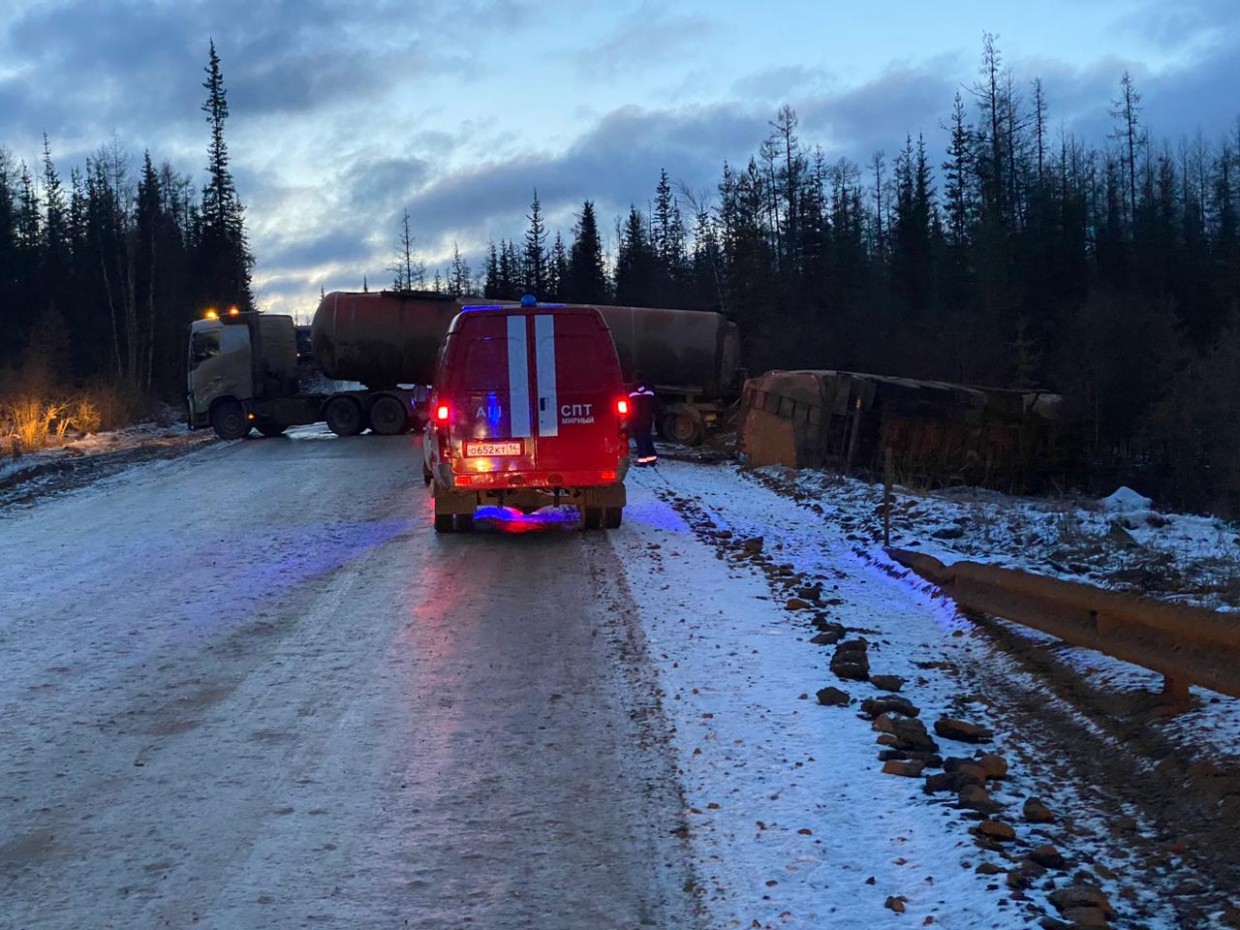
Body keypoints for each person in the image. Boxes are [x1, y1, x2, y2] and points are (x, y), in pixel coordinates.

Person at [628, 377, 658, 466]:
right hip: (648, 418)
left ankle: (642, 461)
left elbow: (629, 405)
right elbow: (655, 403)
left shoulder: (632, 390)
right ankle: (652, 460)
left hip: (637, 419)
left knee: (640, 439)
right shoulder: (649, 389)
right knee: (648, 438)